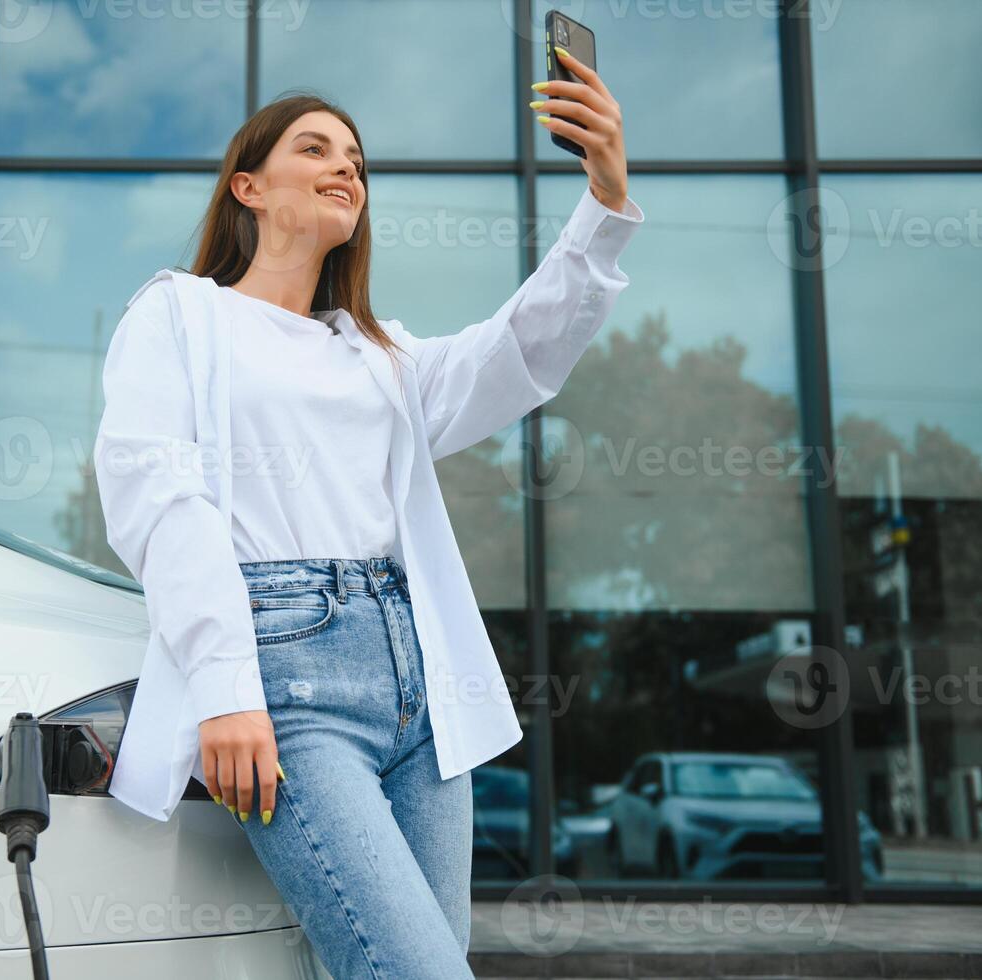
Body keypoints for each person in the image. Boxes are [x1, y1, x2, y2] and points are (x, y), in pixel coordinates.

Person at [94, 47, 642, 980]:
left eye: (355, 158)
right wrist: (226, 687)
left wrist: (603, 200)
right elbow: (160, 498)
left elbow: (520, 352)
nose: (345, 166)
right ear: (248, 188)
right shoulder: (179, 314)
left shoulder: (379, 355)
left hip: (420, 684)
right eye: (314, 150)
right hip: (288, 675)